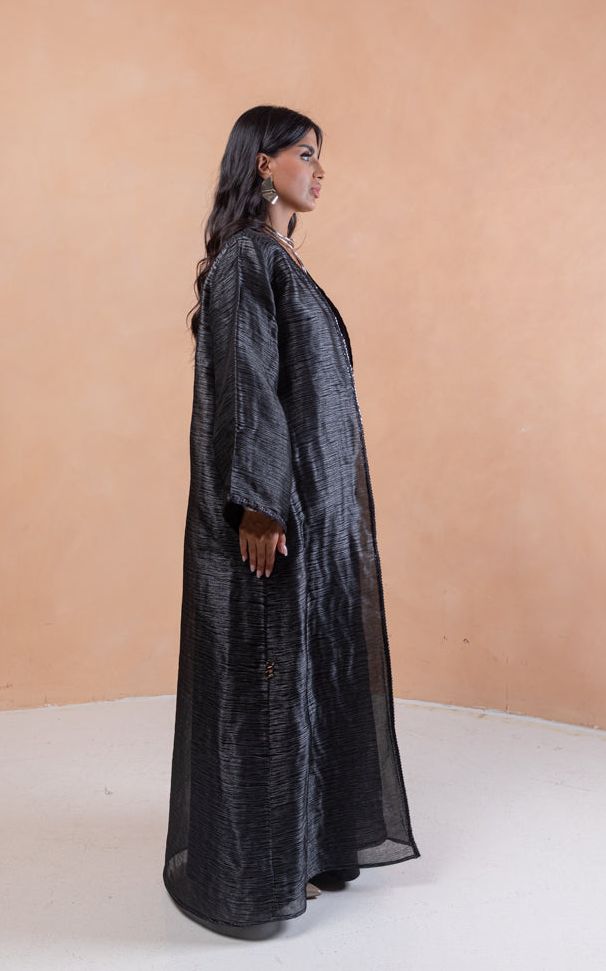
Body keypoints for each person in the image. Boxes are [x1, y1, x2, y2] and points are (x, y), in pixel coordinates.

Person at [163, 105, 419, 928]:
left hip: (317, 514)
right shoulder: (246, 258)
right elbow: (247, 385)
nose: (318, 169)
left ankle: (308, 842)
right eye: (304, 153)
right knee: (269, 676)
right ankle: (258, 865)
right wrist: (258, 503)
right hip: (277, 515)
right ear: (262, 163)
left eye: (319, 155)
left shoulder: (278, 258)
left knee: (312, 673)